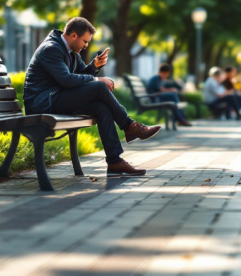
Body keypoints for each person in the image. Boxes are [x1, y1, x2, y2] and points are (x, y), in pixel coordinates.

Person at [23, 17, 161, 176]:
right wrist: (96, 79)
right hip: (42, 103)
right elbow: (67, 80)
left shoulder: (71, 52)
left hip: (56, 97)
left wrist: (94, 67)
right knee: (99, 86)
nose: (85, 46)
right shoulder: (51, 48)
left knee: (101, 108)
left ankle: (115, 161)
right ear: (74, 35)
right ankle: (130, 126)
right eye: (85, 41)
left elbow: (80, 78)